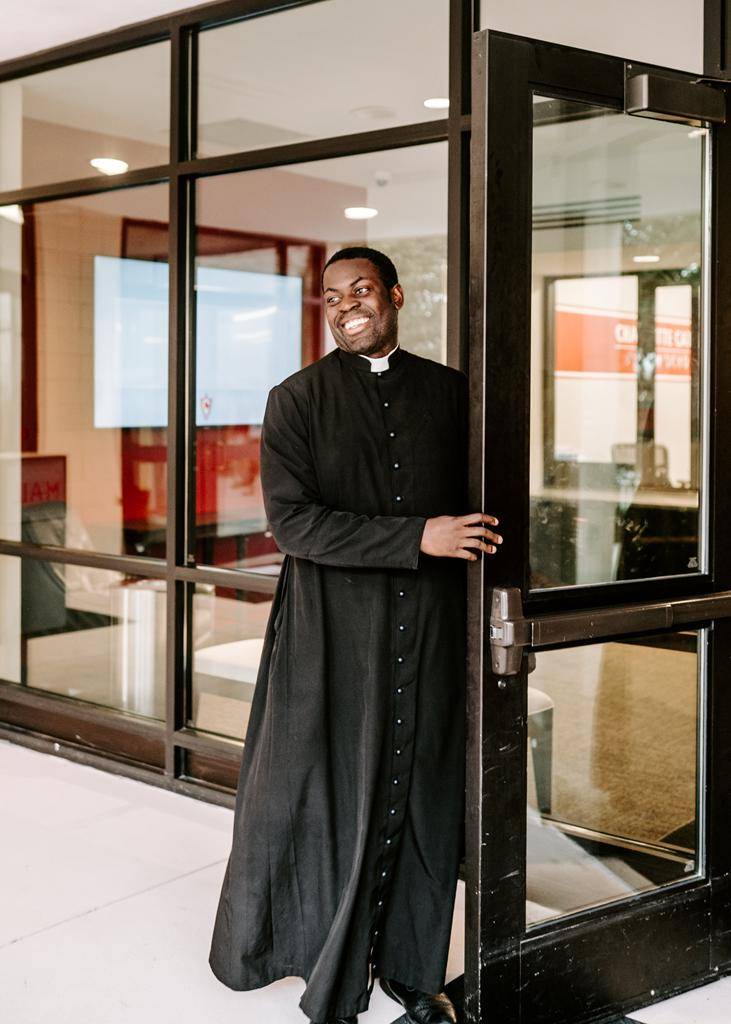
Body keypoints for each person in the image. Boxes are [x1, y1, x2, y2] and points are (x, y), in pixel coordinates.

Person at [208, 246, 502, 1024]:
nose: (346, 305)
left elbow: (481, 508)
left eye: (361, 289)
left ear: (394, 295)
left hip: (431, 627)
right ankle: (314, 952)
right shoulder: (296, 398)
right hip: (330, 632)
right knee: (319, 789)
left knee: (423, 788)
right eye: (332, 295)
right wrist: (417, 538)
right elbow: (293, 523)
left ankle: (410, 960)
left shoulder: (450, 392)